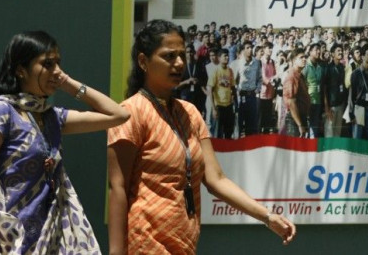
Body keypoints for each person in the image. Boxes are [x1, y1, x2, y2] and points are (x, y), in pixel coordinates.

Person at [107, 20, 295, 254]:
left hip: (185, 243)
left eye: (181, 56)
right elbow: (117, 188)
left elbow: (216, 179)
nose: (178, 63)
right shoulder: (130, 112)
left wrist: (267, 217)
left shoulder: (190, 113)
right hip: (145, 244)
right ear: (144, 62)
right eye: (168, 56)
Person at [0, 31, 130, 253]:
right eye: (47, 64)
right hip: (6, 238)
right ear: (20, 70)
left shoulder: (52, 117)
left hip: (49, 237)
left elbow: (118, 115)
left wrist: (68, 83)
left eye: (58, 63)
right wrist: (1, 232)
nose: (56, 71)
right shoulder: (1, 112)